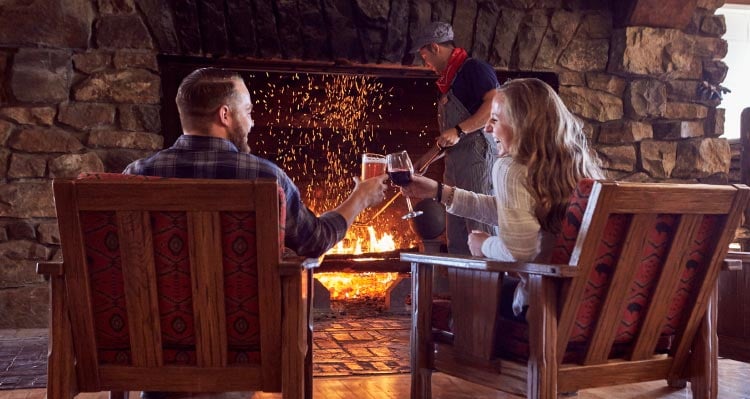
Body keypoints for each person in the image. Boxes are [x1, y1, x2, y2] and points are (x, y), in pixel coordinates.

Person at [124, 67, 388, 258]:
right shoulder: (265, 176)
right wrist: (360, 197)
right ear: (225, 115)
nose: (252, 123)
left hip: (154, 327)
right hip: (248, 331)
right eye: (248, 112)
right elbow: (315, 241)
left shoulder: (136, 175)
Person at [401, 78, 605, 316]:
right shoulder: (578, 169)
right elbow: (511, 211)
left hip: (542, 312)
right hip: (589, 313)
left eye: (495, 119)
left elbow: (519, 250)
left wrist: (483, 245)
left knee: (449, 308)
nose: (487, 128)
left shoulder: (509, 167)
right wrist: (440, 192)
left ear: (522, 125)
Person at [411, 21, 499, 254]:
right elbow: (449, 138)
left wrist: (461, 130)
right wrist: (427, 159)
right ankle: (461, 290)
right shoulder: (449, 81)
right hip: (455, 168)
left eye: (424, 55)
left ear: (435, 47)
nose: (425, 63)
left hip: (478, 163)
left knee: (480, 230)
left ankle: (488, 290)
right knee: (457, 238)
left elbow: (495, 104)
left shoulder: (474, 70)